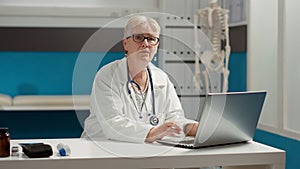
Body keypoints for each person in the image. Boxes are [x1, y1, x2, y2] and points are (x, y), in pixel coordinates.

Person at [81, 15, 198, 143]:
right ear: (125, 44)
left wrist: (193, 128)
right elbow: (112, 124)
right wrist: (152, 132)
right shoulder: (107, 75)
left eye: (151, 39)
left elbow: (174, 119)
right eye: (138, 38)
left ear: (157, 45)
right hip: (101, 151)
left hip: (142, 150)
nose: (145, 44)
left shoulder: (162, 79)